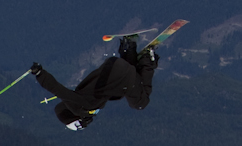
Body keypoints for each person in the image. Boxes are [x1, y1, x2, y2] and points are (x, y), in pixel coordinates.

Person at [31, 37, 159, 131]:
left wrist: (40, 74)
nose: (86, 122)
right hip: (114, 65)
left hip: (122, 74)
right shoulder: (80, 96)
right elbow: (63, 94)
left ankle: (148, 58)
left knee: (140, 103)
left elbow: (57, 90)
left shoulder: (82, 106)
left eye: (80, 124)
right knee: (130, 87)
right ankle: (128, 48)